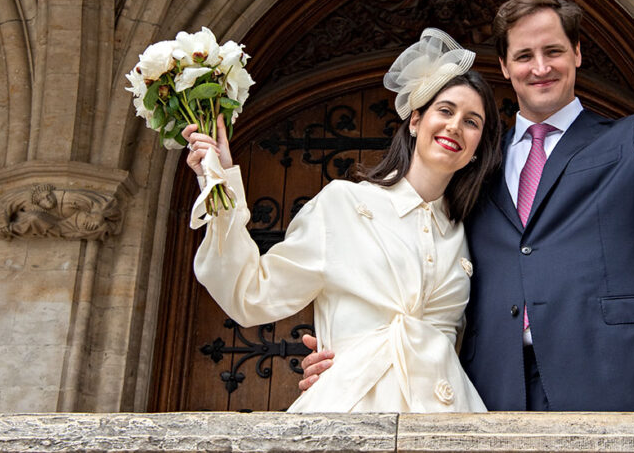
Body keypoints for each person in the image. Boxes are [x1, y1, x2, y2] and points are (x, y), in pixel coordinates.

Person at [299, 0, 634, 411]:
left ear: (577, 54)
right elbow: (412, 260)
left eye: (553, 51)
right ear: (504, 68)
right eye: (524, 56)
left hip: (617, 381)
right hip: (492, 392)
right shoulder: (472, 163)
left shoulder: (632, 141)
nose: (541, 67)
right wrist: (353, 352)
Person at [183, 28, 501, 412]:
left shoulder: (468, 234)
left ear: (477, 149)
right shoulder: (343, 204)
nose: (455, 126)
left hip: (446, 418)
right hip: (354, 410)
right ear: (415, 120)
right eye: (446, 110)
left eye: (472, 121)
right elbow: (251, 294)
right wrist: (221, 184)